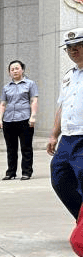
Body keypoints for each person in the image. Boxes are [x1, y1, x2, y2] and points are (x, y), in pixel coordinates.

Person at [49, 29, 83, 218]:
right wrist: (54, 134)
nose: (73, 51)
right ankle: (81, 222)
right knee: (59, 177)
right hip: (68, 138)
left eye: (77, 46)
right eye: (69, 48)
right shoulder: (69, 75)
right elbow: (63, 106)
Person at [0, 59, 38, 181]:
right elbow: (3, 104)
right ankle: (11, 172)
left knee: (26, 147)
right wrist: (0, 119)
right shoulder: (6, 87)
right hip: (9, 120)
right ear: (9, 72)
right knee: (11, 148)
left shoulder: (30, 84)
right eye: (12, 69)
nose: (14, 71)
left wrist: (33, 116)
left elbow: (34, 100)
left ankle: (26, 172)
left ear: (22, 69)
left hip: (25, 119)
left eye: (17, 68)